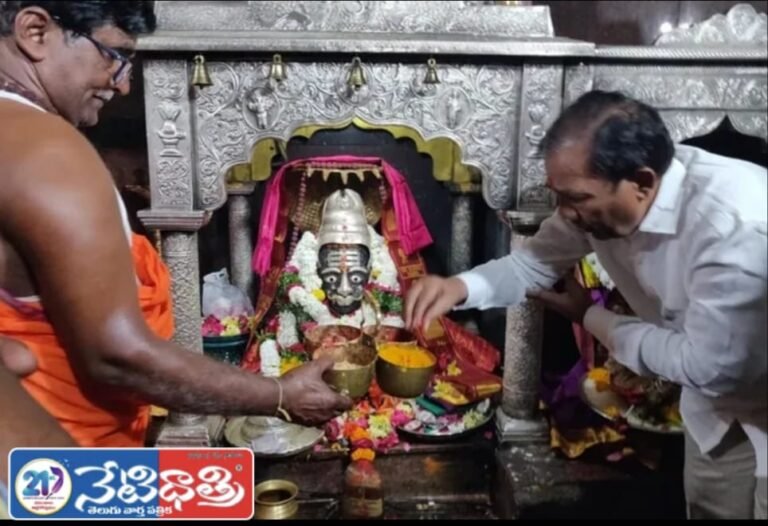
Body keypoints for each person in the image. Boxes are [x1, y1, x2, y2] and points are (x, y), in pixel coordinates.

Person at [0, 1, 350, 449]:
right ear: (35, 32)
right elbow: (116, 356)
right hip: (60, 463)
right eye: (114, 54)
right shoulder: (48, 152)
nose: (124, 83)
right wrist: (281, 394)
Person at [405, 90, 767, 520]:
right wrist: (459, 287)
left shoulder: (735, 228)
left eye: (576, 198)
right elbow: (531, 266)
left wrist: (592, 318)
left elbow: (710, 366)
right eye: (559, 196)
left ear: (643, 181)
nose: (566, 214)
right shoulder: (597, 202)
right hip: (716, 413)